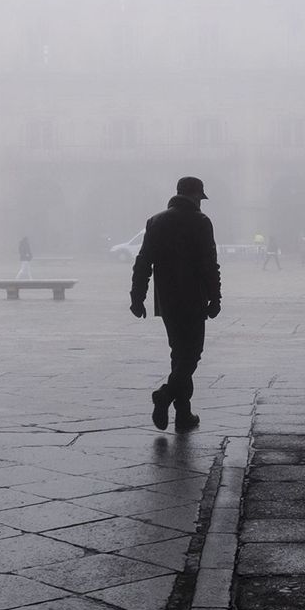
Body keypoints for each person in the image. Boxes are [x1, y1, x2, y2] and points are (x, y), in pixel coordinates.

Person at [129, 176, 222, 432]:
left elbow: (143, 262)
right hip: (194, 298)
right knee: (192, 354)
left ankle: (183, 414)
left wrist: (137, 296)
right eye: (200, 198)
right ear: (195, 196)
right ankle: (166, 394)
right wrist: (216, 297)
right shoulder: (201, 222)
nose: (201, 203)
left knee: (179, 354)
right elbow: (209, 264)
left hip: (167, 300)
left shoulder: (156, 222)